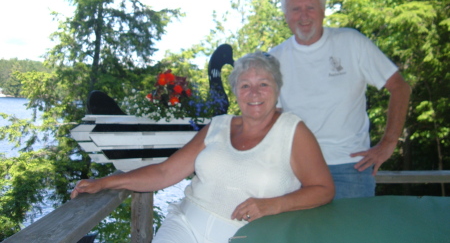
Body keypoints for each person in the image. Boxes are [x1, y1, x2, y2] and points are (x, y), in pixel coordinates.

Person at [71, 51, 334, 243]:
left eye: (263, 84)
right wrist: (106, 183)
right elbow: (164, 173)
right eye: (245, 86)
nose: (254, 93)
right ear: (235, 92)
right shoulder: (217, 126)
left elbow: (323, 190)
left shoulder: (293, 131)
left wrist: (272, 205)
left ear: (277, 89)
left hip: (249, 236)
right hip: (185, 226)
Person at [270, 0, 411, 200]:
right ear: (285, 15)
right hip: (296, 170)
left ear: (323, 11)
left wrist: (388, 143)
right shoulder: (275, 58)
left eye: (310, 8)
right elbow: (273, 117)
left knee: (352, 234)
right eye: (295, 9)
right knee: (303, 235)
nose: (303, 16)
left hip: (349, 168)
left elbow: (400, 87)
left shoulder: (351, 42)